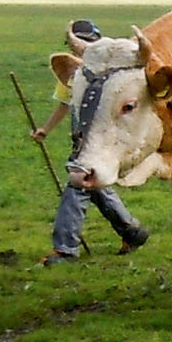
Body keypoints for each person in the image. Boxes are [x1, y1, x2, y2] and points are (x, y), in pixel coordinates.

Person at [33, 18, 149, 263]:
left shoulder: (113, 71)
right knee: (94, 185)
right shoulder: (79, 73)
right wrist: (45, 129)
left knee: (78, 185)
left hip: (99, 140)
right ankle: (132, 232)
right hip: (83, 140)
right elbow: (65, 105)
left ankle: (65, 249)